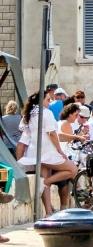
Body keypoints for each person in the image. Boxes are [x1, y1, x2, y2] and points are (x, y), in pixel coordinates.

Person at [20, 87, 76, 215]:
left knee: (44, 178)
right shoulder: (46, 113)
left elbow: (24, 133)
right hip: (47, 151)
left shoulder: (30, 113)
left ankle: (49, 212)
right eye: (48, 99)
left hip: (34, 151)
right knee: (72, 170)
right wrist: (59, 150)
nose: (49, 102)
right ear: (41, 101)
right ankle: (45, 182)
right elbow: (51, 133)